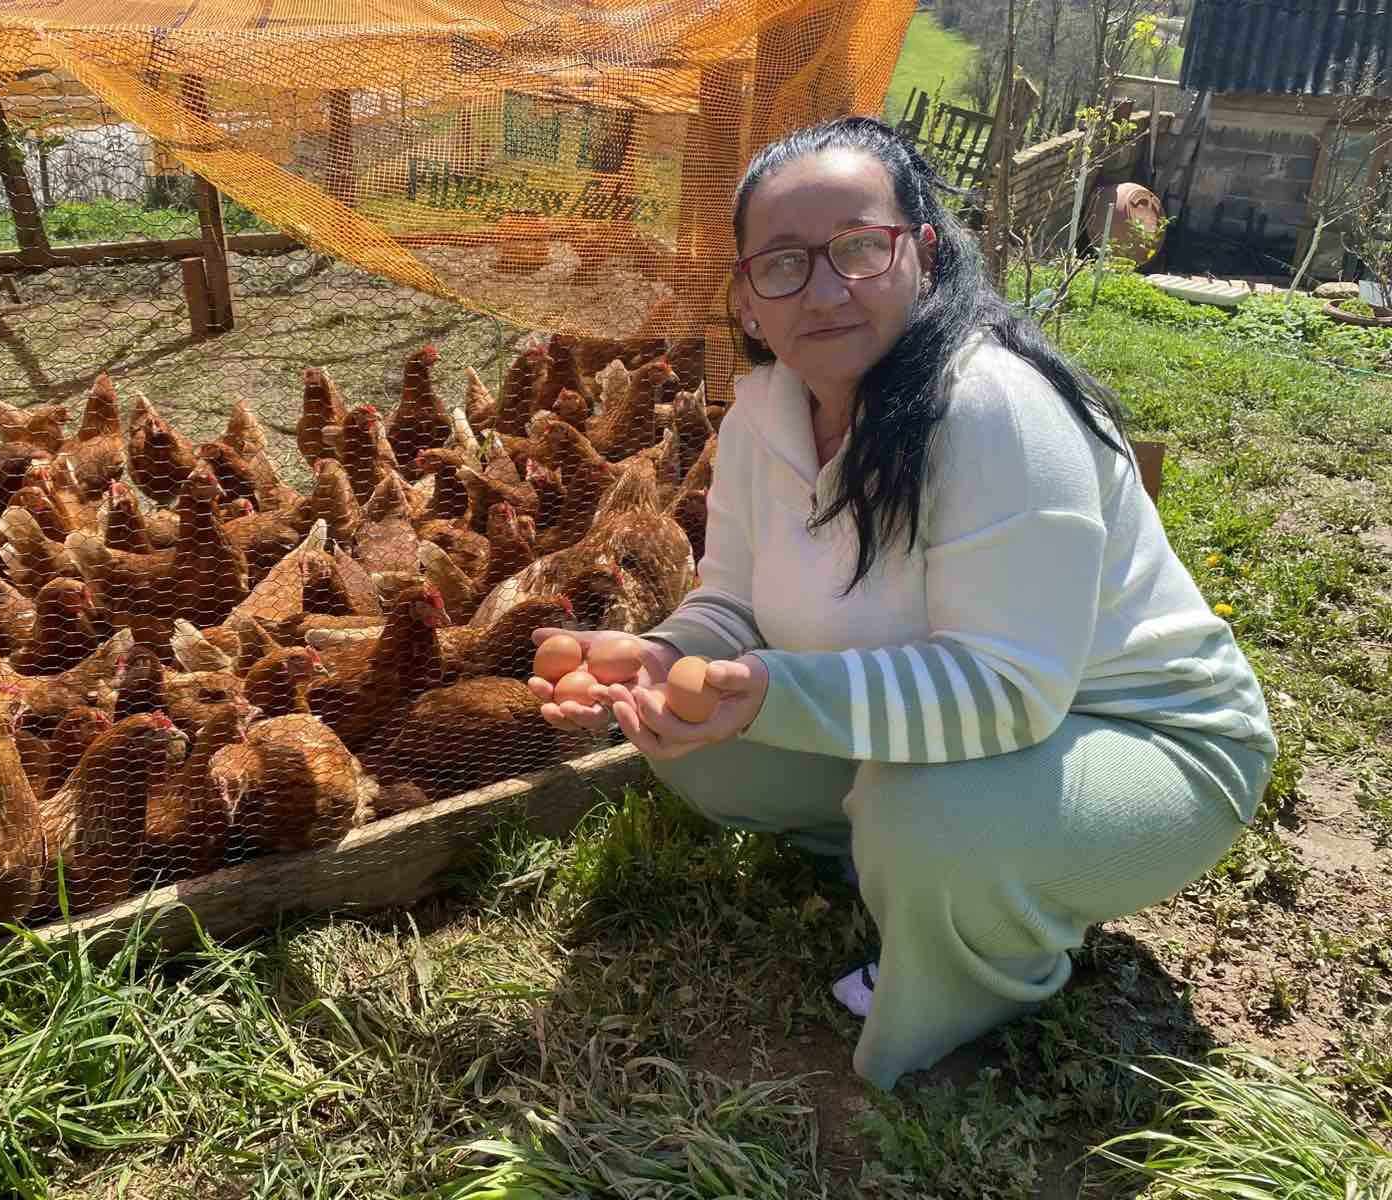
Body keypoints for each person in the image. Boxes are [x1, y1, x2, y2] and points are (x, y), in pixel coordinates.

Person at [529, 115, 1276, 1090]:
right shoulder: (764, 415)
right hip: (971, 726)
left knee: (926, 813)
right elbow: (733, 599)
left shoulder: (995, 407)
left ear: (922, 253)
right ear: (746, 298)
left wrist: (769, 693)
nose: (824, 290)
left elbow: (1010, 690)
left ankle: (980, 961)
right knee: (691, 739)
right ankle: (891, 855)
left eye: (858, 248)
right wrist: (665, 656)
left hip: (1144, 739)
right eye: (783, 264)